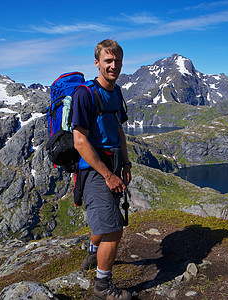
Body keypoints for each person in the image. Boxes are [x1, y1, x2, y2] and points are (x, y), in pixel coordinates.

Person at [72, 39, 132, 300]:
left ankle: (92, 253)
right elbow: (80, 140)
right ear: (97, 63)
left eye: (117, 60)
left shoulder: (116, 92)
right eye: (108, 61)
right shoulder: (85, 94)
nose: (113, 65)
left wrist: (126, 164)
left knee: (105, 220)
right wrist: (107, 175)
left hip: (114, 164)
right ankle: (102, 288)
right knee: (114, 228)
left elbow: (119, 130)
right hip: (95, 169)